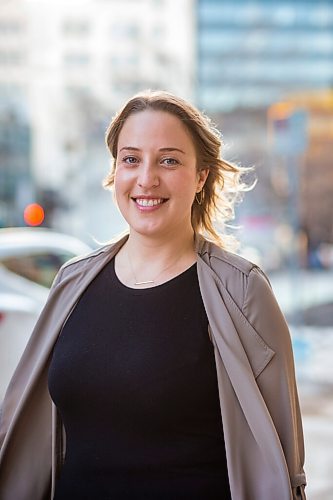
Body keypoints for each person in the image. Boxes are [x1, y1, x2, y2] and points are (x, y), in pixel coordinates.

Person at [0, 90, 306, 500]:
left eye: (169, 160)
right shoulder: (72, 283)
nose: (146, 179)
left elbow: (283, 461)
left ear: (201, 176)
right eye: (131, 159)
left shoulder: (243, 291)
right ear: (115, 171)